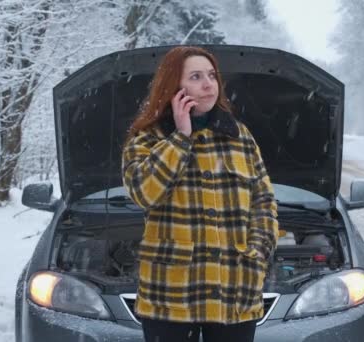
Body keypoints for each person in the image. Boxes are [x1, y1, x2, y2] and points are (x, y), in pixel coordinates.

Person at [121, 46, 278, 342]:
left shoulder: (239, 136)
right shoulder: (147, 138)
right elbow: (143, 193)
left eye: (211, 76)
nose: (208, 85)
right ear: (174, 86)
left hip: (235, 290)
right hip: (171, 296)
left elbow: (263, 201)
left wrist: (258, 252)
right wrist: (180, 137)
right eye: (195, 76)